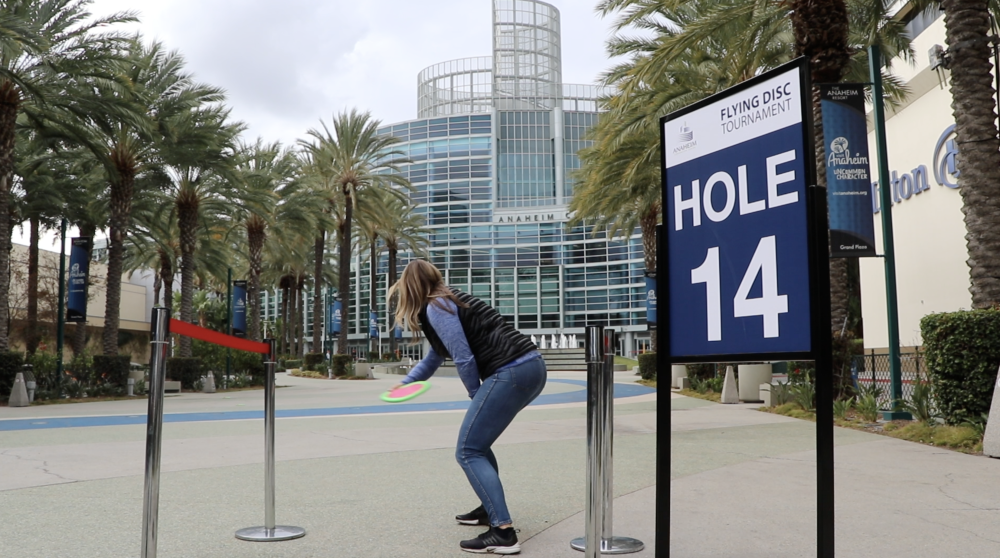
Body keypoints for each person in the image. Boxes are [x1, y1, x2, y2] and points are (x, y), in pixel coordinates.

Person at [388, 259, 546, 555]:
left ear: (409, 287)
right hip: (532, 367)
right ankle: (490, 510)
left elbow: (463, 357)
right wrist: (405, 383)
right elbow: (434, 358)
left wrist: (476, 393)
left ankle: (503, 533)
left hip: (510, 371)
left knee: (468, 450)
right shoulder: (450, 300)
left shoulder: (437, 307)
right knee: (480, 445)